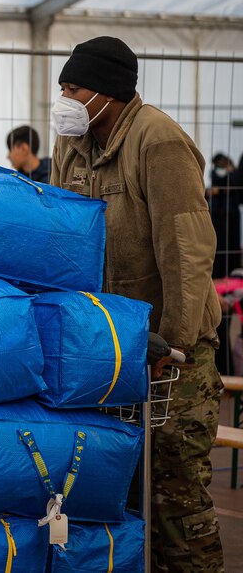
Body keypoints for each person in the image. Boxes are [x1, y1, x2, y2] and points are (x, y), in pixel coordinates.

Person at [50, 36, 223, 571]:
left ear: (106, 92)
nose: (64, 99)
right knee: (114, 495)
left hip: (171, 354)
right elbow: (61, 238)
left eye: (72, 88)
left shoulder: (158, 141)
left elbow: (186, 251)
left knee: (174, 499)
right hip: (107, 346)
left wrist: (174, 342)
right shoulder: (71, 146)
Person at [207, 153, 242, 279]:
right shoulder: (215, 176)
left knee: (231, 246)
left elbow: (237, 196)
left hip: (231, 217)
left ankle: (232, 275)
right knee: (218, 247)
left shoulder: (234, 177)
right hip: (218, 219)